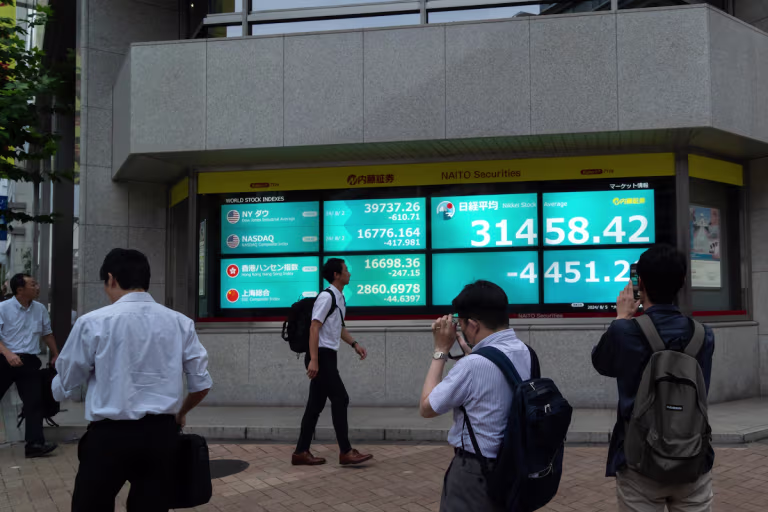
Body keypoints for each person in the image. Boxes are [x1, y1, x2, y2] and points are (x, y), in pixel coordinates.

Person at [52, 249, 213, 512]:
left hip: (108, 437)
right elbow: (201, 385)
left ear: (111, 278)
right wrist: (181, 413)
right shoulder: (181, 323)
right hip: (161, 437)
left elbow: (68, 380)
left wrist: (55, 391)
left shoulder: (92, 322)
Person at [592, 244, 715, 512]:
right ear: (682, 282)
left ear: (640, 284)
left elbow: (601, 363)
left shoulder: (624, 332)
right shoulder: (703, 335)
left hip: (639, 460)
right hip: (693, 455)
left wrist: (621, 317)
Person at [420, 280, 532, 512]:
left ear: (472, 325)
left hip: (475, 472)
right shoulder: (526, 352)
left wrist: (440, 350)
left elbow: (427, 407)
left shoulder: (473, 366)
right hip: (515, 466)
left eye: (461, 325)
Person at [292, 258, 373, 466]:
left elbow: (338, 328)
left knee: (315, 406)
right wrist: (314, 361)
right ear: (336, 275)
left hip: (327, 355)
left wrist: (355, 344)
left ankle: (301, 452)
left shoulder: (339, 298)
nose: (349, 272)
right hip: (320, 355)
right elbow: (314, 327)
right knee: (341, 398)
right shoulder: (326, 297)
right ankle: (345, 451)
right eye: (346, 269)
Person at [0, 273, 59, 458]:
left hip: (30, 362)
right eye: (33, 284)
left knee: (34, 402)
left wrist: (56, 354)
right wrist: (8, 353)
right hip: (4, 360)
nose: (37, 287)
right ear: (20, 290)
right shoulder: (3, 308)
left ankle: (34, 445)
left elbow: (47, 333)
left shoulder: (40, 309)